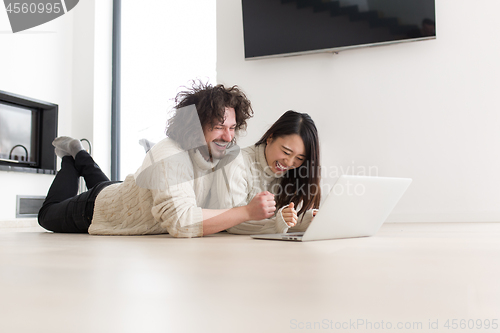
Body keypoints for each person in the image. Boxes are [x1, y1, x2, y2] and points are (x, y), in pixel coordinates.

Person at [38, 82, 276, 237]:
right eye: (218, 127)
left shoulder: (215, 154)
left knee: (108, 186)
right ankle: (72, 156)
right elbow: (182, 221)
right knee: (47, 215)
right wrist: (246, 212)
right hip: (96, 208)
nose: (228, 136)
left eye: (232, 128)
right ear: (195, 125)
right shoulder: (169, 154)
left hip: (124, 191)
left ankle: (82, 156)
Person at [208, 110, 321, 234]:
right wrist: (277, 224)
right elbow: (232, 224)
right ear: (270, 138)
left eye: (299, 158)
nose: (289, 163)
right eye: (286, 152)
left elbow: (284, 222)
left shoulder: (294, 173)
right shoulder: (235, 163)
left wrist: (305, 222)